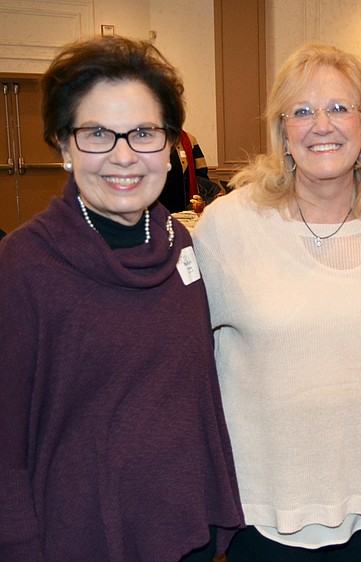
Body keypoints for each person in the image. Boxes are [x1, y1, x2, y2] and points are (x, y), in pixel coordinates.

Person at [0, 36, 243, 561]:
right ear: (64, 146)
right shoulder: (24, 265)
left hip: (182, 526)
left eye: (143, 132)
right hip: (80, 535)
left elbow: (190, 391)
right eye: (96, 134)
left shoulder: (180, 245)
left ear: (170, 144)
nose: (124, 155)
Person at [192, 43, 361, 561]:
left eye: (339, 108)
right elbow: (187, 358)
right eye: (301, 111)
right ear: (283, 135)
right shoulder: (229, 224)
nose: (322, 124)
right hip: (267, 496)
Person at [158, 129, 221, 213]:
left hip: (185, 197)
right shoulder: (152, 139)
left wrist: (204, 194)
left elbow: (201, 170)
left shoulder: (190, 139)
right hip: (160, 197)